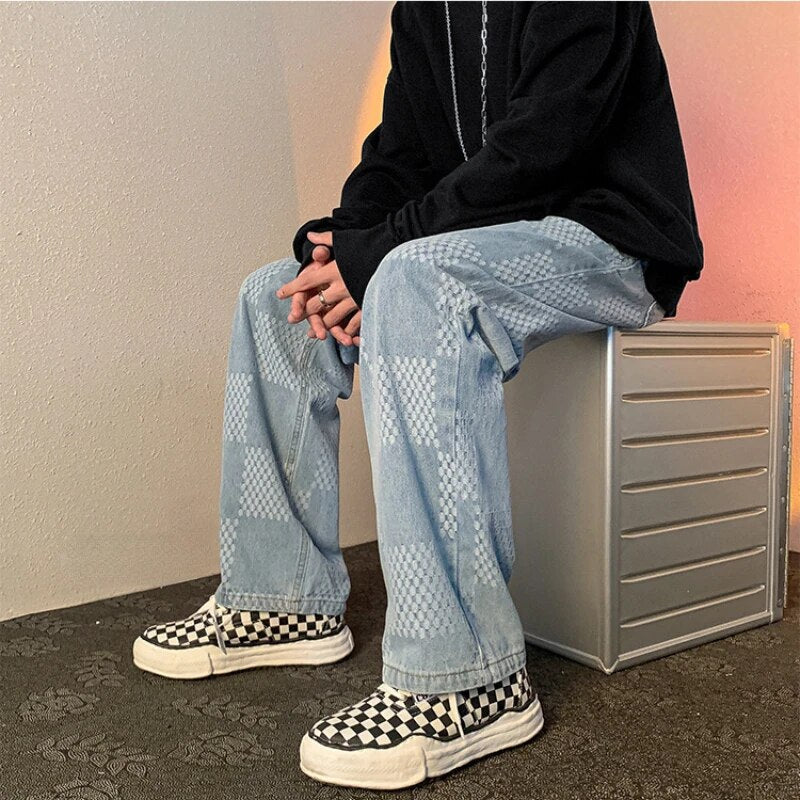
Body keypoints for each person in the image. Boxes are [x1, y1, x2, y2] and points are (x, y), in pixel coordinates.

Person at [131, 1, 703, 790]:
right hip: (483, 235)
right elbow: (398, 157)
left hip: (610, 238)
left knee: (415, 279)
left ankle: (469, 675)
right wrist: (340, 244)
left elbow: (545, 147)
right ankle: (282, 595)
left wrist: (384, 251)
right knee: (275, 296)